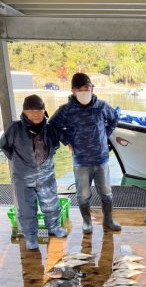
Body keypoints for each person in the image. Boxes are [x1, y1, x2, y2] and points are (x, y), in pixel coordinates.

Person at [49, 72, 121, 234]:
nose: (86, 92)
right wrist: (67, 141)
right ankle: (87, 221)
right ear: (73, 91)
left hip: (101, 159)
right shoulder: (66, 110)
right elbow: (53, 125)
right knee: (83, 195)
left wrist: (105, 135)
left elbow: (114, 118)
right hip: (81, 161)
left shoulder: (102, 106)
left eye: (88, 88)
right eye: (82, 89)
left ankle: (108, 219)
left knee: (106, 193)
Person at [0, 95, 67, 250]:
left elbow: (55, 146)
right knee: (26, 209)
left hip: (46, 175)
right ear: (25, 112)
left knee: (51, 204)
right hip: (23, 178)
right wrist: (18, 161)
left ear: (44, 111)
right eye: (32, 110)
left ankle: (54, 227)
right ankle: (30, 237)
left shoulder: (50, 128)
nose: (37, 113)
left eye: (40, 110)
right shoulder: (15, 128)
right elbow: (4, 146)